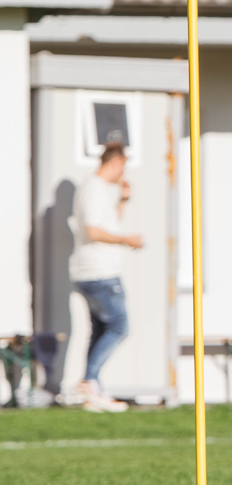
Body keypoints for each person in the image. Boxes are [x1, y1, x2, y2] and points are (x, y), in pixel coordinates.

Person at [70, 141, 143, 413]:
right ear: (115, 163)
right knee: (119, 326)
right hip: (99, 272)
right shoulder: (93, 188)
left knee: (100, 329)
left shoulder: (102, 191)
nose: (123, 173)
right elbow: (93, 231)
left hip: (95, 271)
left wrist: (123, 200)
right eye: (123, 166)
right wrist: (127, 240)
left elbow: (108, 223)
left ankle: (93, 389)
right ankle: (89, 380)